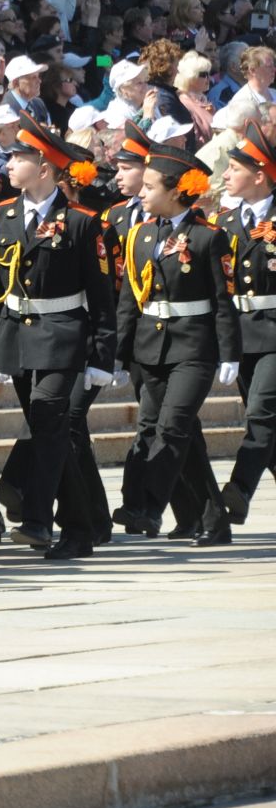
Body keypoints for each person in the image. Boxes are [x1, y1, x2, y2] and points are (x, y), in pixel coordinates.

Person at [0, 114, 116, 561]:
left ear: (43, 168)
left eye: (18, 157)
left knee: (48, 419)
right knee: (53, 432)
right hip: (17, 334)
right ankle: (81, 526)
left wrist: (101, 355)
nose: (8, 164)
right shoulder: (1, 216)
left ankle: (38, 517)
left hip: (63, 335)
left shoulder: (80, 222)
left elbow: (100, 297)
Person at [112, 142, 236, 546]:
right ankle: (213, 520)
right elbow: (130, 301)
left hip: (194, 347)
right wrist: (117, 354)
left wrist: (229, 352)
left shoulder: (207, 238)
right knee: (158, 429)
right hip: (150, 346)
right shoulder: (140, 236)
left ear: (176, 191)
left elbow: (223, 301)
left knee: (174, 425)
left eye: (149, 187)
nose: (141, 193)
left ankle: (147, 506)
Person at [219, 120, 276, 528]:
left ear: (259, 175)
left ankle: (237, 490)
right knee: (267, 425)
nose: (226, 175)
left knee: (261, 414)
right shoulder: (224, 223)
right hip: (240, 334)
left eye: (235, 169)